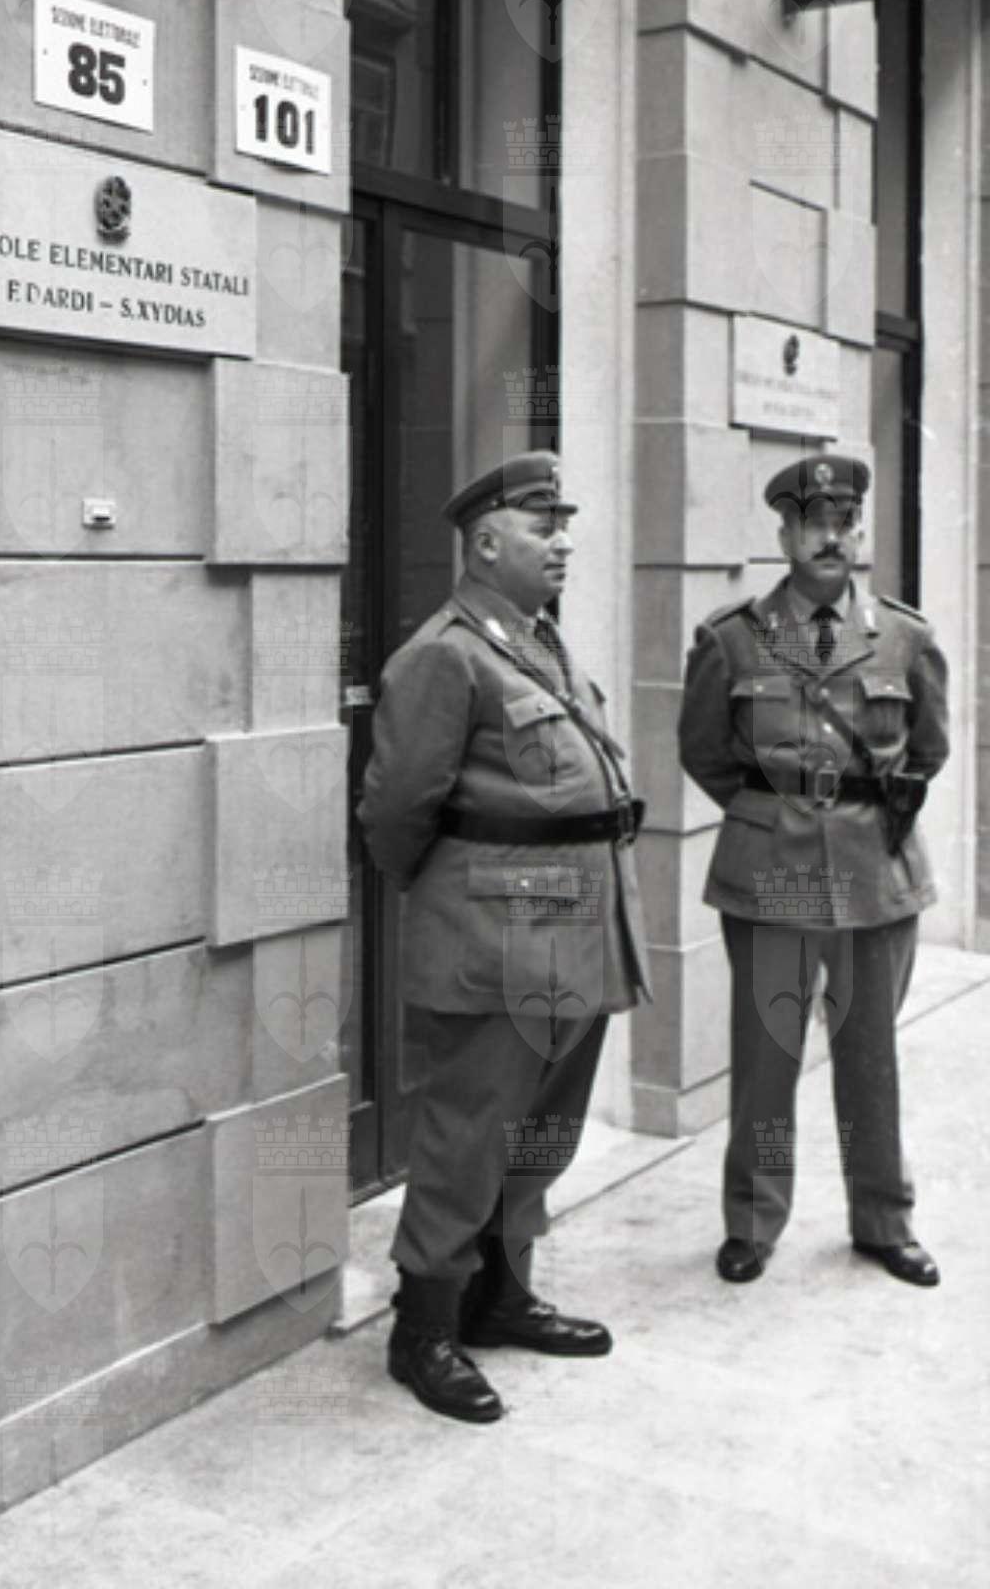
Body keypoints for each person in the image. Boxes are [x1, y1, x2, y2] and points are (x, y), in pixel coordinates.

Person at [357, 451, 651, 1423]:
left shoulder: (540, 642)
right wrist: (455, 899)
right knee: (468, 1133)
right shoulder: (445, 654)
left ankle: (500, 1292)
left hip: (577, 933)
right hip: (494, 942)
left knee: (543, 1131)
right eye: (541, 526)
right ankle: (424, 1327)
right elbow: (397, 810)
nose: (563, 542)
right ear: (486, 543)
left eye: (564, 525)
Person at [678, 453, 948, 1287]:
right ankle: (752, 1221)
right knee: (766, 1059)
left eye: (844, 522)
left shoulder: (904, 637)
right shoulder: (733, 638)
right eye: (813, 523)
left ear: (858, 532)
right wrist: (777, 811)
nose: (831, 537)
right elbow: (705, 752)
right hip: (771, 875)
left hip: (875, 873)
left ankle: (883, 1221)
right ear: (784, 534)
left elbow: (929, 747)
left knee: (871, 1060)